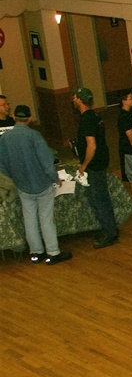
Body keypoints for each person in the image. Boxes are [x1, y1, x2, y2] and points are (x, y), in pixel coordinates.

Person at [0, 104, 72, 265]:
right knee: (46, 219)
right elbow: (47, 162)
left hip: (23, 186)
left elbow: (2, 163)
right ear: (30, 118)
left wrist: (14, 176)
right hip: (42, 184)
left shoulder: (5, 138)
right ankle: (53, 252)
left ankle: (36, 253)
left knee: (29, 219)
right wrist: (55, 178)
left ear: (15, 118)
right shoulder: (34, 136)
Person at [72, 87, 119, 249]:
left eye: (75, 97)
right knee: (101, 197)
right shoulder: (96, 116)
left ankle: (110, 232)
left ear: (79, 100)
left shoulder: (86, 119)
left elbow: (91, 146)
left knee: (99, 199)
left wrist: (83, 165)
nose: (73, 100)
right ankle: (110, 228)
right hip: (101, 161)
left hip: (94, 165)